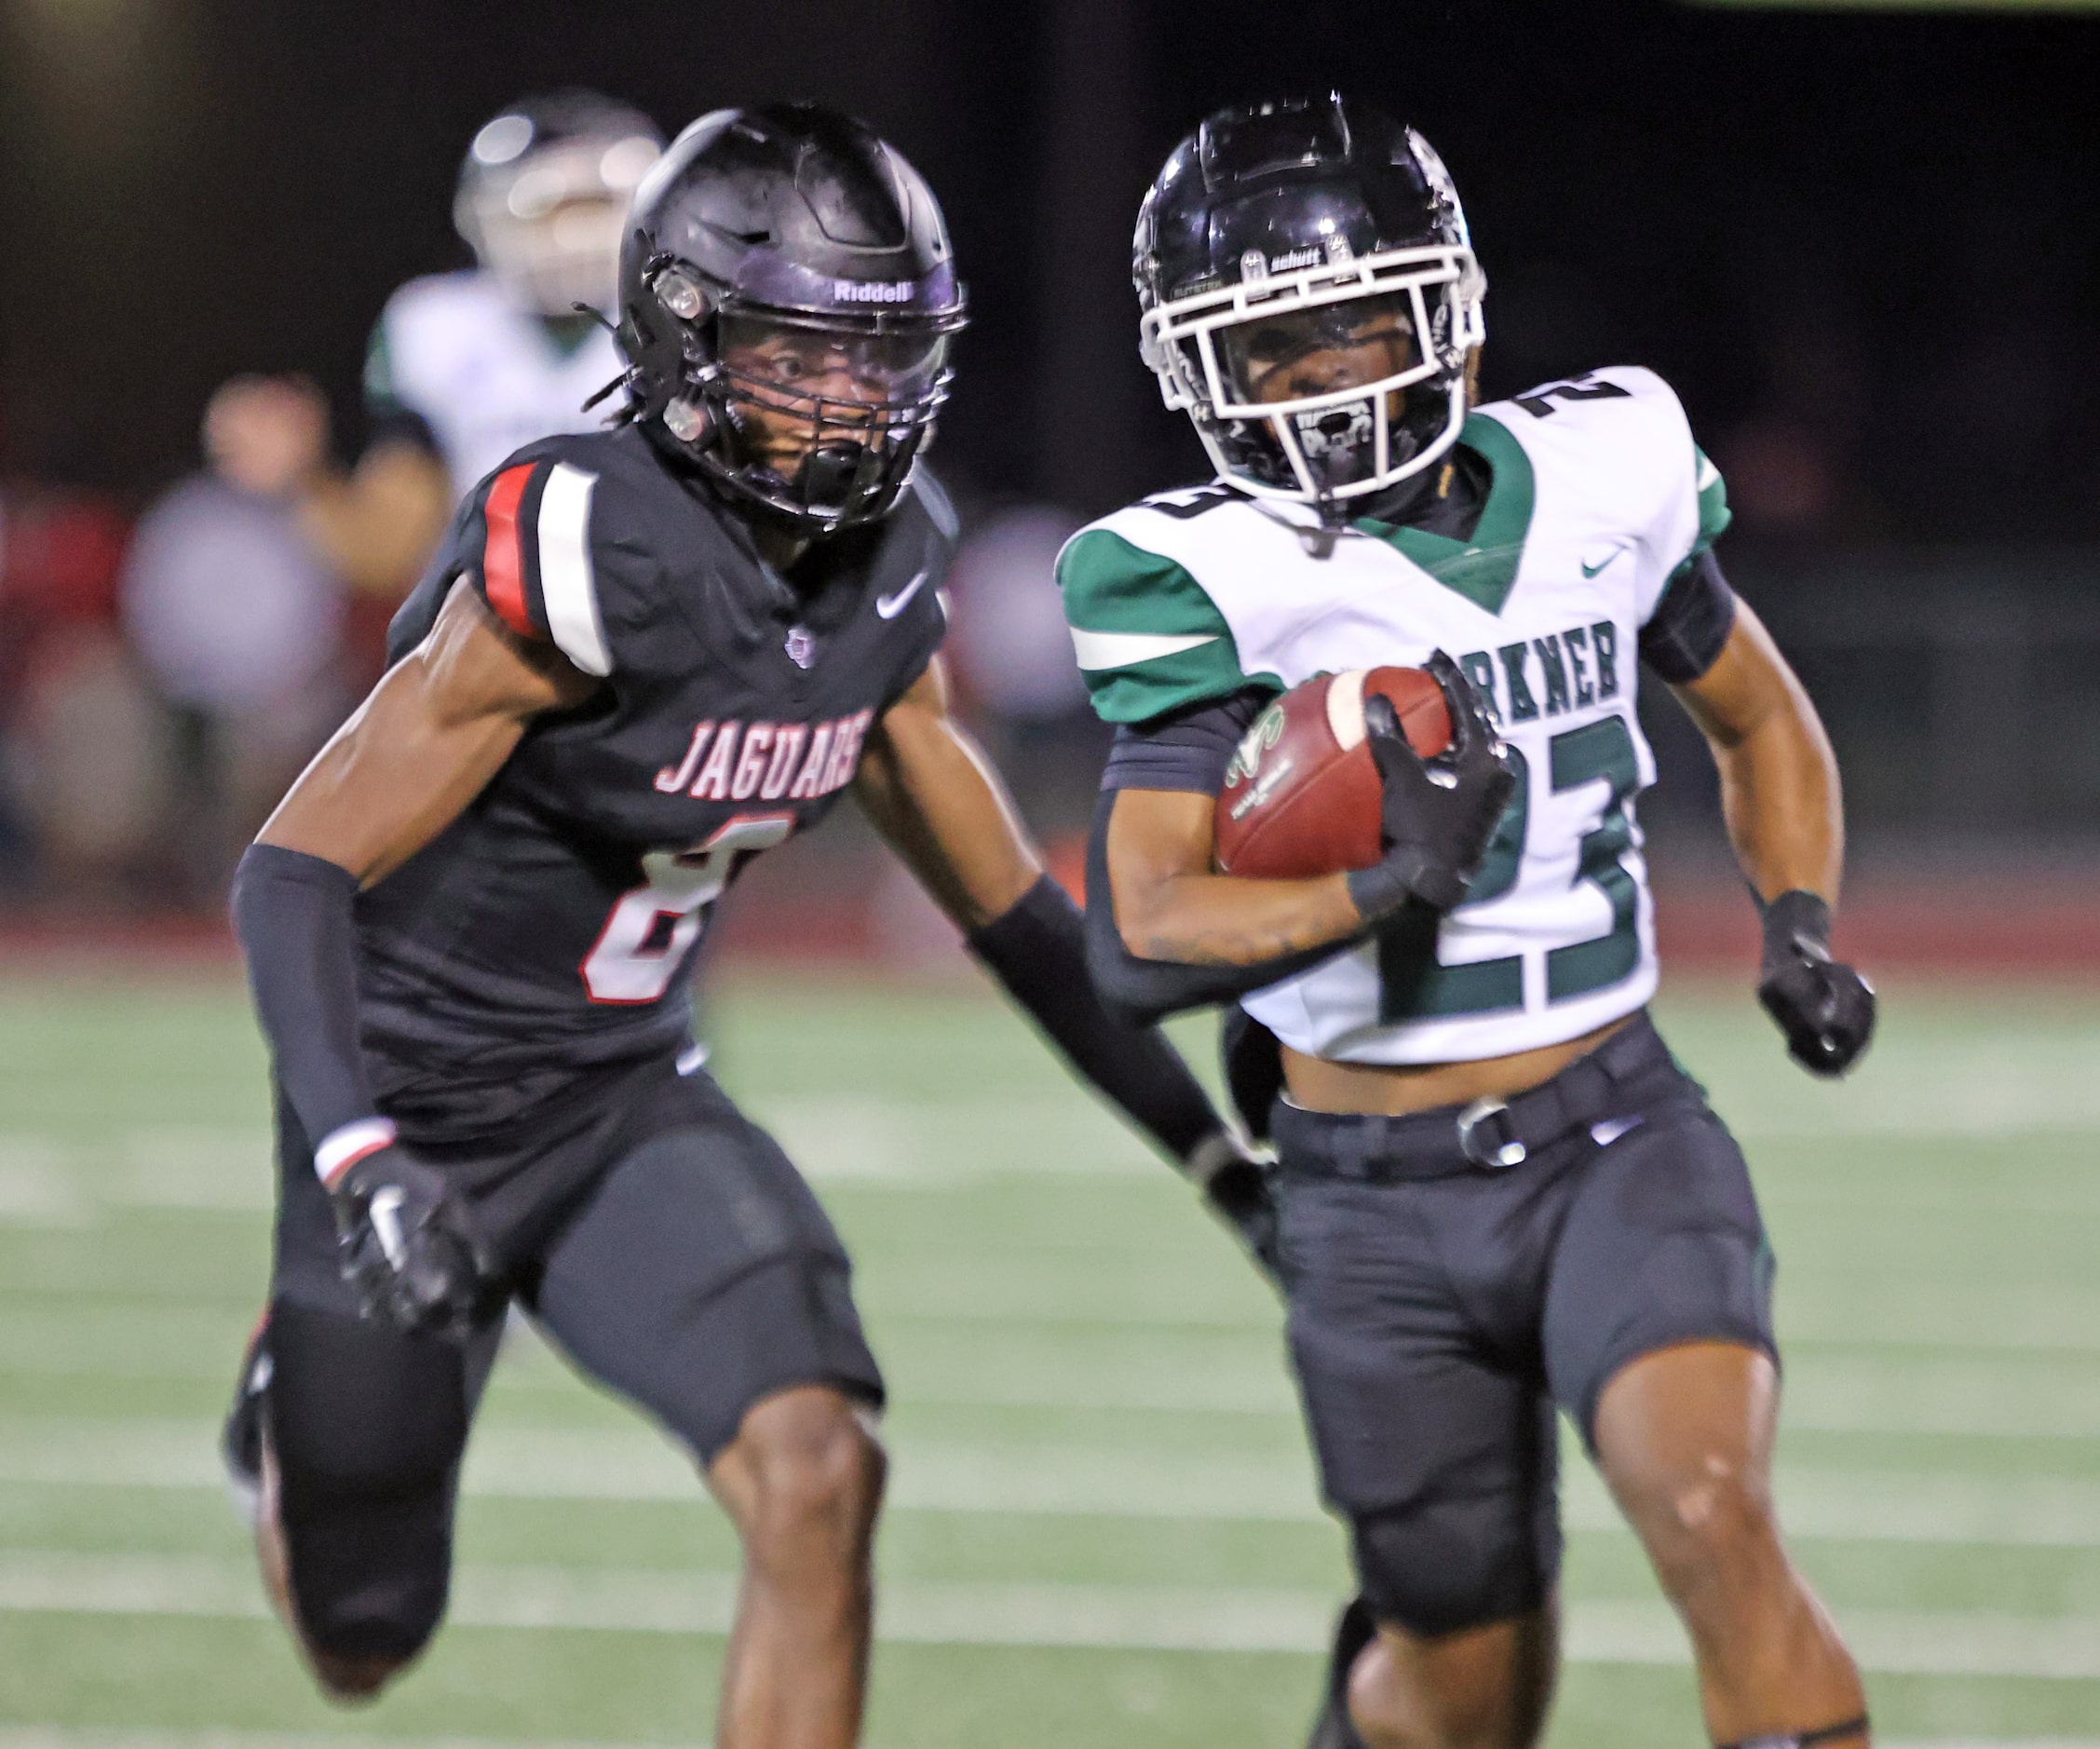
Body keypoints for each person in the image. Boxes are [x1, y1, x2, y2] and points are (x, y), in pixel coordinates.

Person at [221, 103, 1267, 1749]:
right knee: (364, 1638)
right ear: (686, 335)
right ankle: (291, 1405)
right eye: (804, 356)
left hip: (628, 1094)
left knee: (818, 1466)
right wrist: (356, 1151)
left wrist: (1222, 1167)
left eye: (882, 356)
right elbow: (290, 872)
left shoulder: (888, 573)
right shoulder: (588, 538)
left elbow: (1018, 921)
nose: (854, 401)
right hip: (415, 1100)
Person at [1058, 95, 1878, 1749]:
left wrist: (1798, 919)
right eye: (1275, 352)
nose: (1330, 386)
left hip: (1612, 1135)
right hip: (1365, 1204)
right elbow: (1133, 935)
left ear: (1448, 305)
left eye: (1356, 329)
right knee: (1464, 1681)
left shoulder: (1605, 466)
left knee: (1716, 1520)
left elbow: (1763, 722)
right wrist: (1376, 883)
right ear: (1200, 373)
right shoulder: (1199, 571)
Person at [305, 92, 665, 617]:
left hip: (666, 633)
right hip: (494, 633)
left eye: (589, 207)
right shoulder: (434, 327)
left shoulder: (689, 324)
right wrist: (304, 479)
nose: (567, 236)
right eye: (544, 210)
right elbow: (386, 554)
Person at [120, 375, 350, 897]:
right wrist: (194, 684)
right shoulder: (185, 514)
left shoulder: (329, 515)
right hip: (186, 697)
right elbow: (149, 612)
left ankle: (286, 890)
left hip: (304, 697)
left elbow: (342, 618)